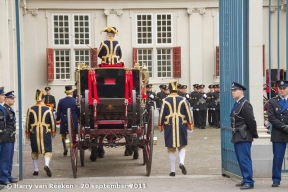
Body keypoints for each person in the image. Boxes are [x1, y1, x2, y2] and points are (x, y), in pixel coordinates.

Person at [158, 81, 193, 176]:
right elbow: (188, 113)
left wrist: (161, 127)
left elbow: (161, 115)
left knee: (171, 148)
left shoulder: (164, 100)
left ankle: (172, 170)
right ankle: (181, 162)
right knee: (182, 146)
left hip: (169, 125)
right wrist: (190, 125)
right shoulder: (183, 99)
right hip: (181, 124)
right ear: (177, 89)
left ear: (169, 89)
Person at [230, 82, 258, 190]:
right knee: (240, 159)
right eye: (232, 91)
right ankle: (245, 178)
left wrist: (254, 134)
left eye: (235, 90)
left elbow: (251, 121)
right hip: (237, 135)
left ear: (241, 91)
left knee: (245, 159)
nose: (233, 92)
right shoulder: (237, 103)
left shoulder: (245, 104)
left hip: (244, 135)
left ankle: (249, 181)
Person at [26, 89, 56, 177]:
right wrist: (53, 132)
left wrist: (28, 133)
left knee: (34, 150)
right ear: (43, 99)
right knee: (47, 150)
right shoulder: (48, 109)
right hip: (45, 131)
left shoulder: (30, 109)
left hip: (34, 132)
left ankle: (35, 170)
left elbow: (28, 122)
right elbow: (52, 122)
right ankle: (46, 165)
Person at [267, 80, 288, 187]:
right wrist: (284, 127)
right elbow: (271, 117)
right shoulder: (273, 101)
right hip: (279, 132)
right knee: (278, 157)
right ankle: (276, 179)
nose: (282, 90)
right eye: (281, 88)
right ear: (278, 89)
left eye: (284, 88)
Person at [56, 85, 80, 156]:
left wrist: (57, 119)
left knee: (64, 135)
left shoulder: (61, 101)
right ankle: (73, 147)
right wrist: (78, 118)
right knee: (73, 134)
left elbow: (58, 112)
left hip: (64, 118)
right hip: (73, 118)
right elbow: (78, 111)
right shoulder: (75, 101)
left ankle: (66, 148)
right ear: (72, 93)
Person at [0, 90, 18, 186]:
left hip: (11, 136)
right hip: (6, 136)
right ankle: (3, 177)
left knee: (10, 158)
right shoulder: (4, 109)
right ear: (6, 99)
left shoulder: (9, 109)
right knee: (5, 158)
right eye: (11, 98)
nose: (13, 100)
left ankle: (8, 175)